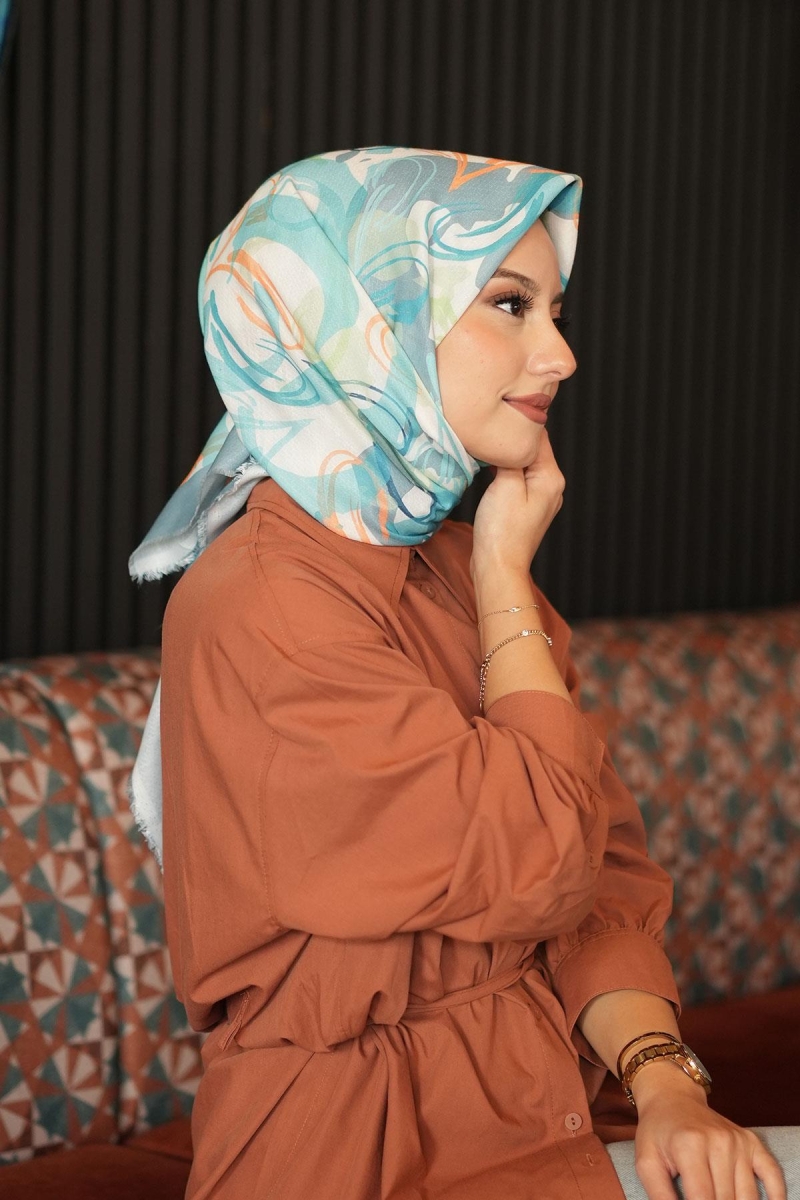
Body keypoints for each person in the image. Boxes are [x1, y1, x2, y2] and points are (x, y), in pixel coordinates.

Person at [127, 147, 788, 1199]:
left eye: (555, 310)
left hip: (547, 1125)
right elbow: (539, 855)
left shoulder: (449, 562)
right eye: (511, 305)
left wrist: (666, 1084)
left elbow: (600, 878)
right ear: (372, 322)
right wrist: (503, 579)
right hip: (363, 1161)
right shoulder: (262, 601)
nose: (560, 353)